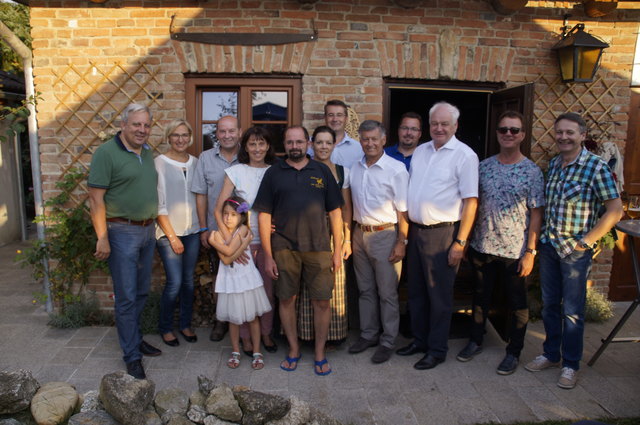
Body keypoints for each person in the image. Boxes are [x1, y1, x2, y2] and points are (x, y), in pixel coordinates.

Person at [525, 112, 622, 389]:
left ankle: (570, 364)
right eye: (560, 132)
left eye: (570, 132)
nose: (564, 137)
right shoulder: (555, 164)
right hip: (550, 246)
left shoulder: (595, 167)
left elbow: (615, 210)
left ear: (582, 135)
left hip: (575, 252)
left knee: (572, 312)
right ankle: (550, 354)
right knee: (549, 307)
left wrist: (588, 241)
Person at [456, 111, 544, 375]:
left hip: (515, 251)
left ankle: (513, 352)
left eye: (514, 130)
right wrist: (465, 241)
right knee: (480, 298)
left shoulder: (532, 171)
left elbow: (537, 213)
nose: (508, 134)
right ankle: (475, 340)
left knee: (517, 303)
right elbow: (472, 204)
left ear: (522, 135)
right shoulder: (484, 167)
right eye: (503, 129)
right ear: (497, 134)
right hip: (483, 246)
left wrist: (530, 251)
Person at [253, 125, 343, 376]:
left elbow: (335, 212)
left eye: (299, 142)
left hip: (319, 248)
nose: (295, 146)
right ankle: (293, 349)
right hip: (284, 248)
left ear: (308, 143)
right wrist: (268, 255)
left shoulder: (322, 171)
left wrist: (337, 250)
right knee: (286, 299)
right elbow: (264, 214)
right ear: (285, 144)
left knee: (322, 301)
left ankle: (319, 353)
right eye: (290, 142)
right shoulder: (273, 173)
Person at [397, 101, 479, 370]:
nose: (439, 128)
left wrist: (460, 242)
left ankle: (437, 349)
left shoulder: (464, 156)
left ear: (455, 126)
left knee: (439, 297)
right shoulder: (421, 151)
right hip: (417, 231)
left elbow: (471, 202)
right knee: (417, 293)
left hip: (443, 235)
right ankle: (419, 341)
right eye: (434, 123)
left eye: (445, 124)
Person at [88, 103, 161, 379]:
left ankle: (134, 337)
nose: (142, 130)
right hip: (121, 233)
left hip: (146, 231)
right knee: (127, 296)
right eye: (136, 124)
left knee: (141, 291)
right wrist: (102, 238)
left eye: (146, 125)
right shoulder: (106, 153)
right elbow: (95, 200)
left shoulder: (148, 152)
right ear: (123, 125)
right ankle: (131, 356)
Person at [347, 120, 409, 364]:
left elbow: (403, 211)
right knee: (365, 290)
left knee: (387, 292)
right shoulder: (355, 168)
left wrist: (401, 241)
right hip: (359, 233)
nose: (370, 143)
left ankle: (388, 341)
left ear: (384, 140)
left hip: (385, 234)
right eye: (365, 139)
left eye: (374, 138)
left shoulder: (396, 169)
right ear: (360, 141)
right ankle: (369, 335)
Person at [214, 126, 278, 356]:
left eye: (262, 143)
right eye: (253, 144)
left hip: (269, 243)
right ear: (246, 146)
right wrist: (232, 243)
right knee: (243, 293)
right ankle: (245, 338)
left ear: (268, 146)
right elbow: (219, 209)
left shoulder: (275, 171)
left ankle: (266, 333)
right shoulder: (236, 171)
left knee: (266, 291)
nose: (257, 148)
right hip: (243, 244)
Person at [296, 126, 353, 344]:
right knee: (306, 283)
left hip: (333, 232)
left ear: (334, 144)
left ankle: (333, 335)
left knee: (333, 280)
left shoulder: (341, 171)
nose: (323, 147)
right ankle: (307, 334)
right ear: (311, 144)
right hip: (307, 231)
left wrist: (347, 239)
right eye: (319, 142)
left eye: (328, 142)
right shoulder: (303, 167)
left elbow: (346, 208)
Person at [191, 115, 241, 342]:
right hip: (215, 232)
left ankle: (242, 323)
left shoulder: (248, 157)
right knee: (218, 279)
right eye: (223, 131)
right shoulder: (205, 158)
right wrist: (203, 228)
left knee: (243, 278)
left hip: (243, 234)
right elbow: (200, 195)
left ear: (239, 132)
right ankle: (221, 321)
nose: (227, 135)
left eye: (231, 131)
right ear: (217, 134)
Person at [208, 197, 272, 370]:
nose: (228, 218)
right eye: (225, 214)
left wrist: (214, 242)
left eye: (233, 214)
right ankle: (235, 351)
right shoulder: (218, 234)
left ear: (242, 217)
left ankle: (257, 352)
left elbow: (228, 251)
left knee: (252, 318)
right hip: (230, 282)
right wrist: (241, 245)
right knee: (233, 319)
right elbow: (226, 259)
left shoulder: (243, 230)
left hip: (247, 280)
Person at [155, 119, 201, 347]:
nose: (180, 139)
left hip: (192, 231)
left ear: (190, 137)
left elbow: (199, 195)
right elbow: (159, 204)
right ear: (168, 137)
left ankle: (184, 324)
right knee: (174, 282)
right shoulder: (160, 163)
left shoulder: (195, 162)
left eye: (184, 135)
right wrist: (172, 237)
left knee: (189, 282)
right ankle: (165, 327)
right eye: (175, 135)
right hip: (167, 232)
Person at [323, 99, 363, 168]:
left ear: (346, 119)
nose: (335, 119)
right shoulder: (311, 145)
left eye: (339, 115)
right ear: (325, 118)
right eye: (331, 115)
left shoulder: (358, 149)